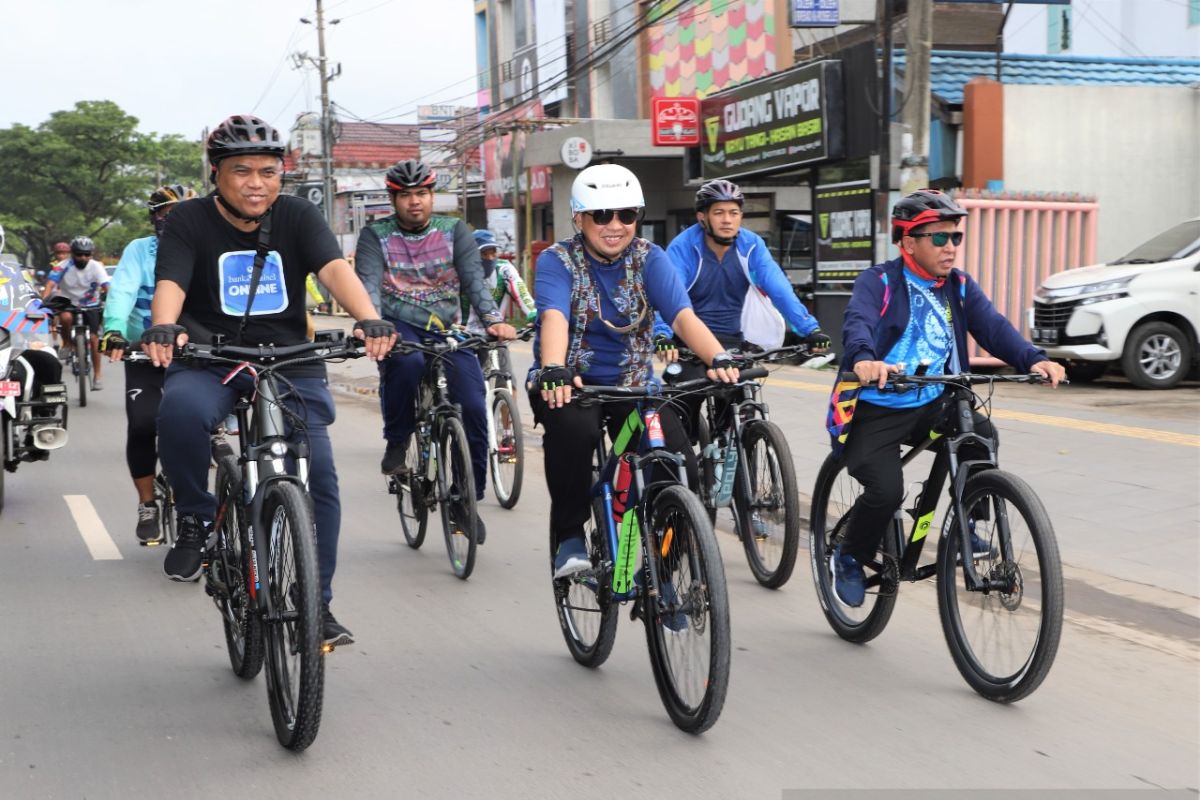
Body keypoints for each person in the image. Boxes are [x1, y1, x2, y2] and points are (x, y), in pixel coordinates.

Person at [141, 114, 397, 648]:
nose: (257, 182)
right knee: (180, 414)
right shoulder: (187, 220)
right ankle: (194, 518)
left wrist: (368, 316)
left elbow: (333, 269)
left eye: (269, 171)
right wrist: (164, 325)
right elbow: (171, 281)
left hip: (289, 359)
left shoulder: (299, 215)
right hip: (211, 356)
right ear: (216, 173)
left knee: (320, 476)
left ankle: (315, 605)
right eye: (241, 171)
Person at [828, 189, 1066, 607]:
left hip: (934, 402)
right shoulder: (879, 281)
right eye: (939, 238)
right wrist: (866, 360)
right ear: (908, 241)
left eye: (956, 237)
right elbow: (858, 324)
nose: (951, 247)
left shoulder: (958, 286)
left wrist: (1034, 358)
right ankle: (849, 556)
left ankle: (967, 522)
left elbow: (993, 327)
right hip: (874, 408)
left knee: (980, 435)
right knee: (886, 491)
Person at [528, 163, 738, 581]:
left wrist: (719, 358)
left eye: (626, 214)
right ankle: (569, 534)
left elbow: (681, 317)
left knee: (682, 468)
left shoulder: (649, 257)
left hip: (636, 389)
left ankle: (663, 568)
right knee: (575, 433)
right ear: (579, 218)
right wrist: (553, 367)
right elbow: (554, 317)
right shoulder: (557, 261)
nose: (615, 225)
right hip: (572, 385)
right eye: (602, 215)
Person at [354, 159, 515, 546]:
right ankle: (397, 441)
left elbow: (474, 281)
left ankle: (467, 498)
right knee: (406, 363)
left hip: (446, 327)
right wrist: (371, 323)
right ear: (394, 199)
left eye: (422, 194)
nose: (415, 202)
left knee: (474, 406)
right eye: (406, 195)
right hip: (398, 325)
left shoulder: (455, 230)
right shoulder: (375, 235)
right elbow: (369, 285)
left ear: (432, 196)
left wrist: (492, 318)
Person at [658, 178, 831, 438]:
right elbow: (667, 296)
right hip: (689, 345)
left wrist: (810, 329)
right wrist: (661, 335)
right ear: (702, 217)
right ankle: (687, 466)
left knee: (740, 413)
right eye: (719, 212)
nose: (727, 220)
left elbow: (779, 288)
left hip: (734, 341)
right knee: (681, 418)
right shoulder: (684, 248)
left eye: (734, 213)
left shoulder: (751, 245)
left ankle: (739, 454)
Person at [100, 184, 198, 544]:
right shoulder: (139, 251)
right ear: (154, 218)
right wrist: (112, 330)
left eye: (184, 215)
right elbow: (123, 290)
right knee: (143, 425)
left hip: (197, 351)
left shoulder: (206, 244)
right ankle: (147, 503)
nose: (175, 222)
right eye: (167, 215)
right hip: (146, 350)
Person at [42, 235, 108, 388]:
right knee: (65, 318)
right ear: (73, 254)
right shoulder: (63, 266)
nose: (83, 257)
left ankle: (97, 375)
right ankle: (67, 344)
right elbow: (50, 284)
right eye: (79, 254)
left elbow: (106, 286)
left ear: (91, 254)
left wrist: (112, 301)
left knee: (94, 339)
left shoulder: (96, 266)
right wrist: (42, 302)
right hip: (68, 302)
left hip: (91, 304)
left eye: (87, 254)